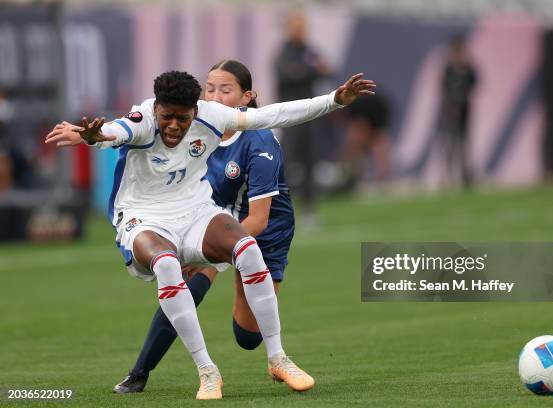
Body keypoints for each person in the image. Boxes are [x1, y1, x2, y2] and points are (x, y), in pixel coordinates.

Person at [46, 70, 375, 400]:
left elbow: (272, 114)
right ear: (156, 109)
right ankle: (207, 371)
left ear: (195, 111)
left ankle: (278, 358)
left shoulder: (211, 115)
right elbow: (114, 130)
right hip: (143, 218)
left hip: (194, 210)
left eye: (183, 118)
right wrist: (91, 135)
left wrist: (334, 100)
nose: (174, 125)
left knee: (247, 247)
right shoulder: (142, 119)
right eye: (167, 117)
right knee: (166, 264)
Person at [112, 60, 297, 394]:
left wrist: (210, 256)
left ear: (246, 97)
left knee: (247, 337)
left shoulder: (260, 141)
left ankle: (276, 353)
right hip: (212, 219)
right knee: (186, 284)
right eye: (209, 88)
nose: (214, 96)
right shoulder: (198, 126)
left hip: (263, 233)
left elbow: (258, 219)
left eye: (225, 90)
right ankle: (139, 373)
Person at [275, 13, 330, 223]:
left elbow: (327, 69)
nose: (300, 31)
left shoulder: (309, 50)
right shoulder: (284, 52)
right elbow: (288, 74)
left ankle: (308, 209)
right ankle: (280, 209)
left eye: (302, 27)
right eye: (296, 26)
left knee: (309, 162)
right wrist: (310, 70)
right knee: (287, 163)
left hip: (310, 115)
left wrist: (309, 70)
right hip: (290, 116)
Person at [440, 36, 477, 188]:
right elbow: (442, 88)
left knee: (464, 144)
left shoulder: (468, 69)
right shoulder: (448, 69)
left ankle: (466, 177)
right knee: (450, 144)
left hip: (464, 110)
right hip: (450, 110)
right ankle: (448, 178)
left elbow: (473, 85)